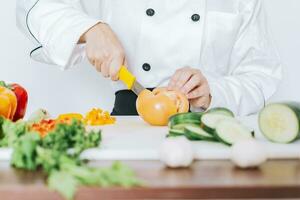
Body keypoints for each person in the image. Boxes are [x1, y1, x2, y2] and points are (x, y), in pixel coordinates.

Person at [16, 0, 282, 116]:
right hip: (126, 124)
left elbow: (260, 74)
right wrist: (89, 29)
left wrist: (214, 92)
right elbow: (33, 5)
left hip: (204, 129)